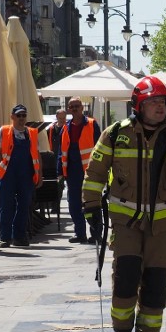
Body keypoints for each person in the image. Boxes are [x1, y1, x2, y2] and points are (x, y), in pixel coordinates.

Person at [82, 76, 166, 332]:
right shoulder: (115, 134)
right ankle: (122, 330)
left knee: (157, 281)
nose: (160, 107)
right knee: (126, 277)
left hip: (161, 225)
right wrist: (91, 208)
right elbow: (95, 174)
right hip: (125, 223)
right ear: (139, 105)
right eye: (154, 102)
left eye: (164, 102)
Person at [0, 104, 42, 248]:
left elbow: (37, 154)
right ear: (12, 116)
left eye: (24, 115)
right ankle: (5, 237)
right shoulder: (4, 130)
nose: (21, 118)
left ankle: (19, 236)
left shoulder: (32, 133)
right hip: (8, 174)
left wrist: (40, 175)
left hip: (26, 174)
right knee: (6, 206)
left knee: (24, 206)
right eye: (18, 115)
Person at [62, 98, 101, 243]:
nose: (74, 109)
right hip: (72, 171)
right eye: (71, 107)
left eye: (77, 106)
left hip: (89, 170)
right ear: (68, 109)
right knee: (74, 204)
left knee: (92, 203)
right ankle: (80, 233)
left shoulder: (91, 124)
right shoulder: (66, 126)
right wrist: (61, 170)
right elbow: (62, 150)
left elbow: (100, 146)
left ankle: (96, 234)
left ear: (82, 108)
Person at [45, 108, 67, 213]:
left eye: (64, 118)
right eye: (60, 118)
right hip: (52, 160)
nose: (62, 120)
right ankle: (54, 205)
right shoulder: (50, 129)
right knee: (54, 184)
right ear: (57, 117)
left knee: (60, 184)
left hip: (64, 160)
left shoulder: (68, 128)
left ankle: (56, 205)